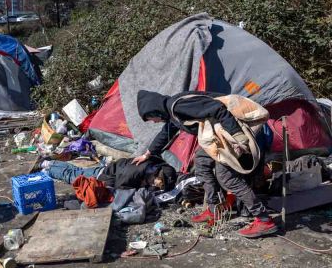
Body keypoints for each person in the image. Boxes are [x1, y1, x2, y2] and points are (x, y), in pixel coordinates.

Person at [132, 90, 278, 238]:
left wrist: (237, 135)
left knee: (226, 177)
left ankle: (264, 219)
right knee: (201, 162)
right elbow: (166, 132)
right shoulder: (172, 112)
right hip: (217, 135)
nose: (154, 121)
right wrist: (148, 153)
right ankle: (215, 209)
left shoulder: (179, 105)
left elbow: (217, 108)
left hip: (232, 133)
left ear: (155, 110)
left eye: (151, 118)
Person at [41, 157, 176, 191]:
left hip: (108, 170)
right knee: (72, 176)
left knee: (77, 171)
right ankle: (49, 170)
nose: (159, 187)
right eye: (161, 184)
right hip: (103, 177)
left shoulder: (151, 166)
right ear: (159, 176)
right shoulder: (134, 173)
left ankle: (51, 163)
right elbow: (119, 186)